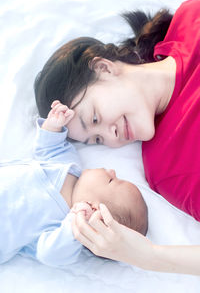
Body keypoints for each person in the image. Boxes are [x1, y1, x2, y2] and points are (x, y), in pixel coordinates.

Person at [34, 0, 200, 275]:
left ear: (104, 68)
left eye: (95, 118)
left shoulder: (189, 19)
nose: (111, 137)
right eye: (97, 140)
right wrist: (148, 256)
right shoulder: (168, 167)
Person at [0, 100, 147, 268]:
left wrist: (77, 224)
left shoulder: (64, 225)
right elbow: (50, 149)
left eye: (112, 180)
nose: (112, 171)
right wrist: (53, 126)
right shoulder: (70, 166)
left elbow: (51, 255)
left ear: (95, 209)